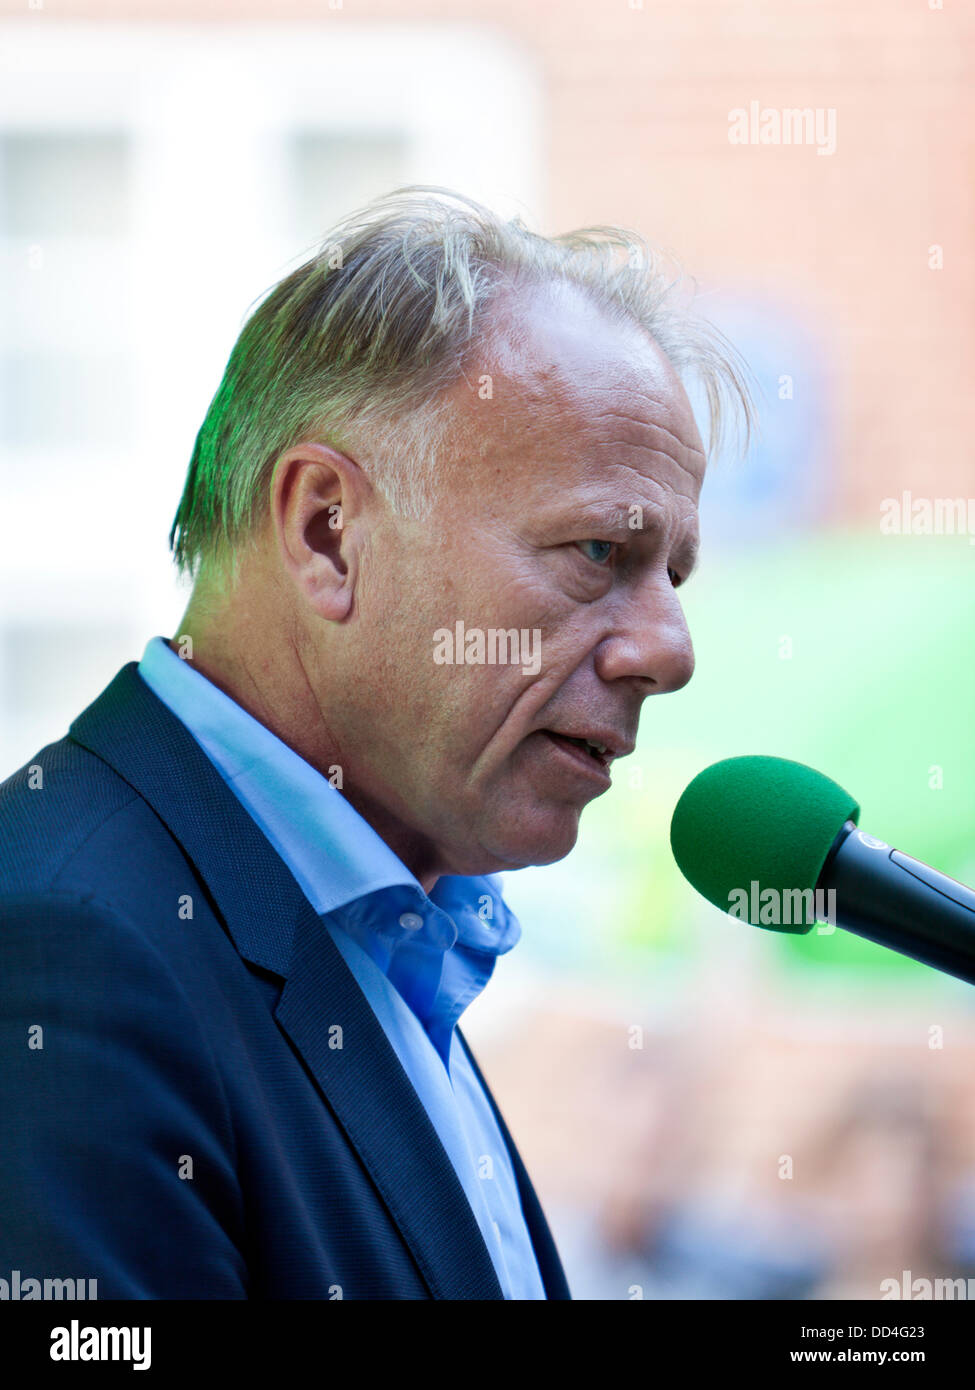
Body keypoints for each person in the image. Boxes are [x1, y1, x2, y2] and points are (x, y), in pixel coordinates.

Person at [0, 186, 752, 1300]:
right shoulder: (65, 948)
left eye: (673, 575)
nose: (669, 649)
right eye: (599, 550)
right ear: (326, 534)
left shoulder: (378, 938)